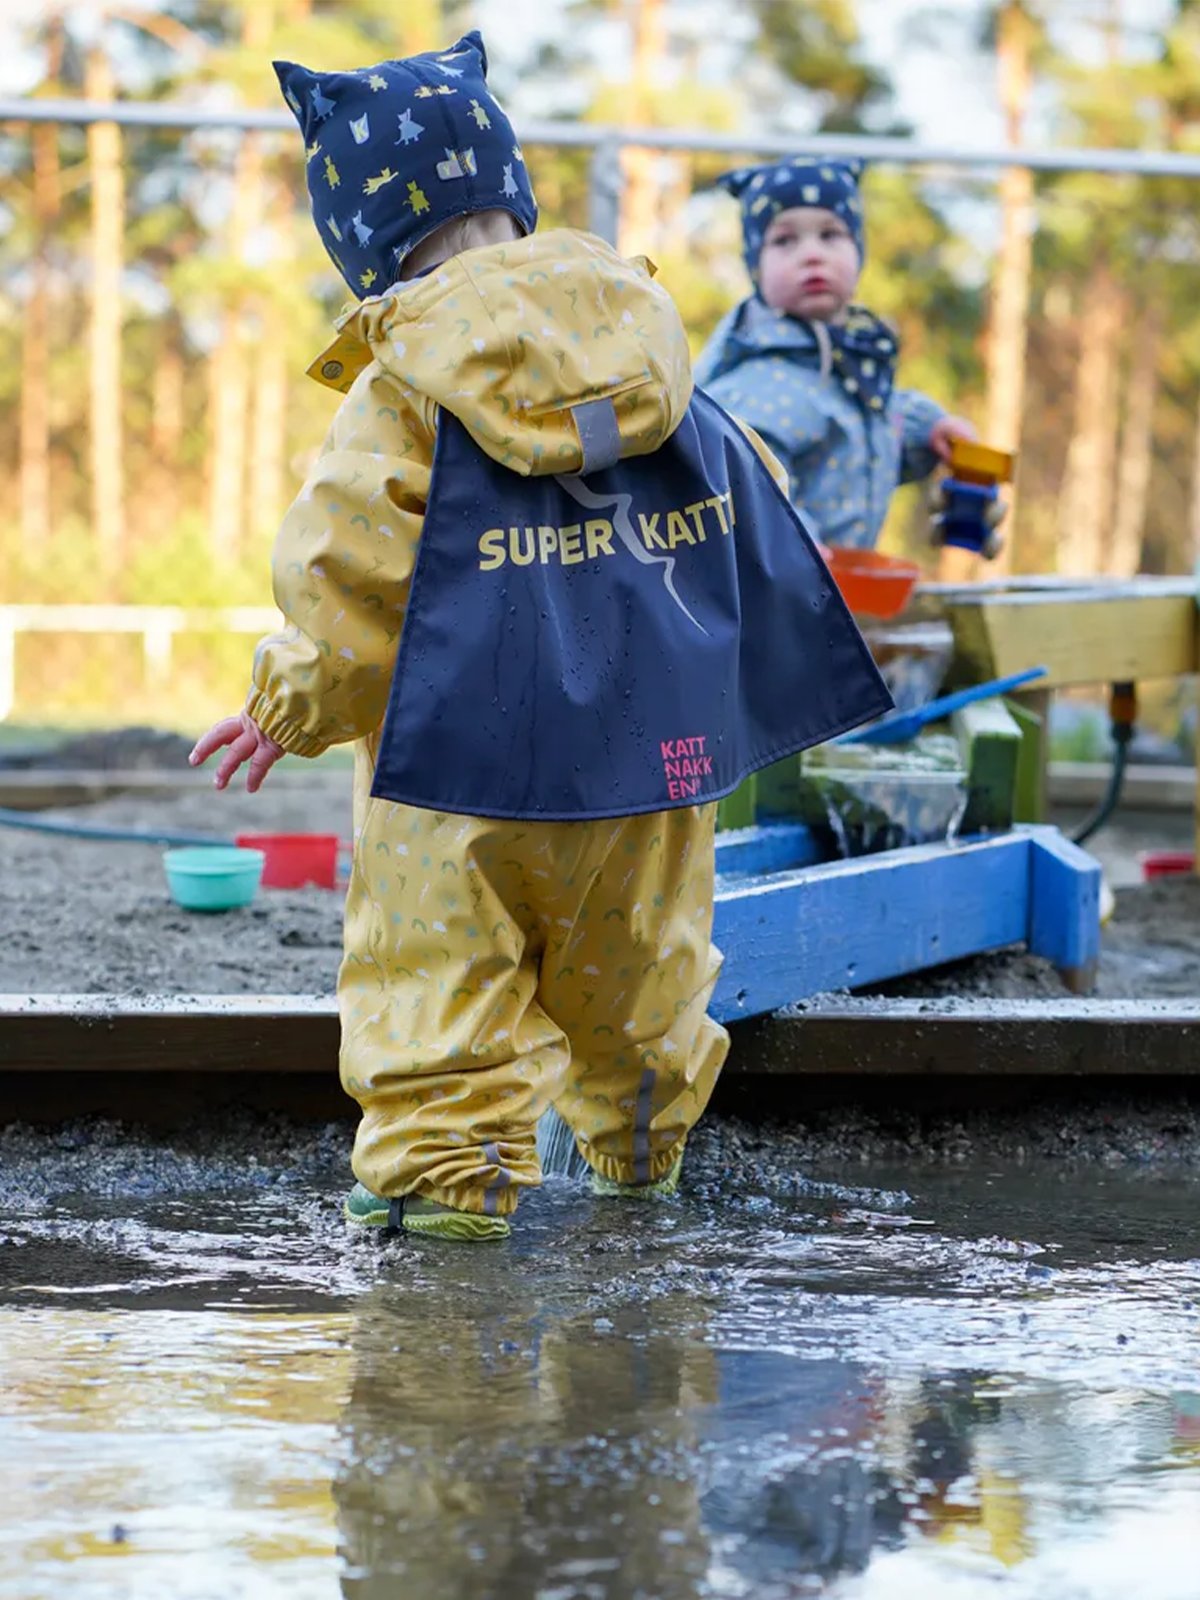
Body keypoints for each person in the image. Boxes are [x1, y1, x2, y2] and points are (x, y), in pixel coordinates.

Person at [189, 33, 890, 1242]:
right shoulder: (652, 350)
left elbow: (350, 581)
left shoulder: (402, 386)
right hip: (650, 768)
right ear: (510, 192)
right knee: (644, 981)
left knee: (439, 988)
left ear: (356, 242)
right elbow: (755, 520)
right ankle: (634, 1167)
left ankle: (442, 1228)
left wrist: (286, 704)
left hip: (465, 783)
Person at [695, 157, 976, 550]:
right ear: (755, 266)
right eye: (784, 240)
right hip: (775, 600)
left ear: (859, 251)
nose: (812, 254)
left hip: (832, 596)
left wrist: (924, 432)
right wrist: (797, 548)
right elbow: (743, 485)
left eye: (830, 235)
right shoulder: (759, 384)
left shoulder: (848, 368)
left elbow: (855, 451)